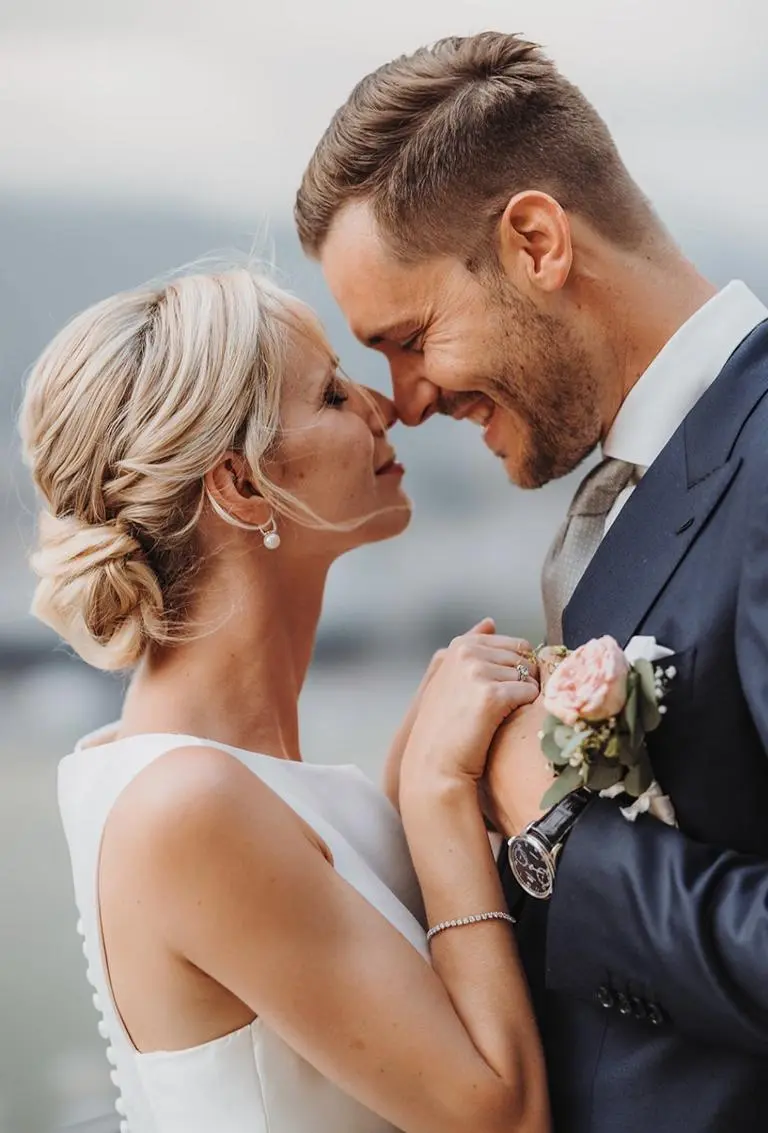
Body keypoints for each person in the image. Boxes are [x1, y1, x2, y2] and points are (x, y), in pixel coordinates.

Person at [296, 30, 768, 1133]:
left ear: (537, 242)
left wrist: (560, 838)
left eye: (410, 337)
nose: (405, 400)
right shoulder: (646, 481)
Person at [19, 267, 550, 1133]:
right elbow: (505, 1116)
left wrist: (407, 788)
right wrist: (436, 797)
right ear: (240, 484)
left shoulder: (214, 776)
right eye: (333, 393)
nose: (385, 407)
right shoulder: (185, 804)